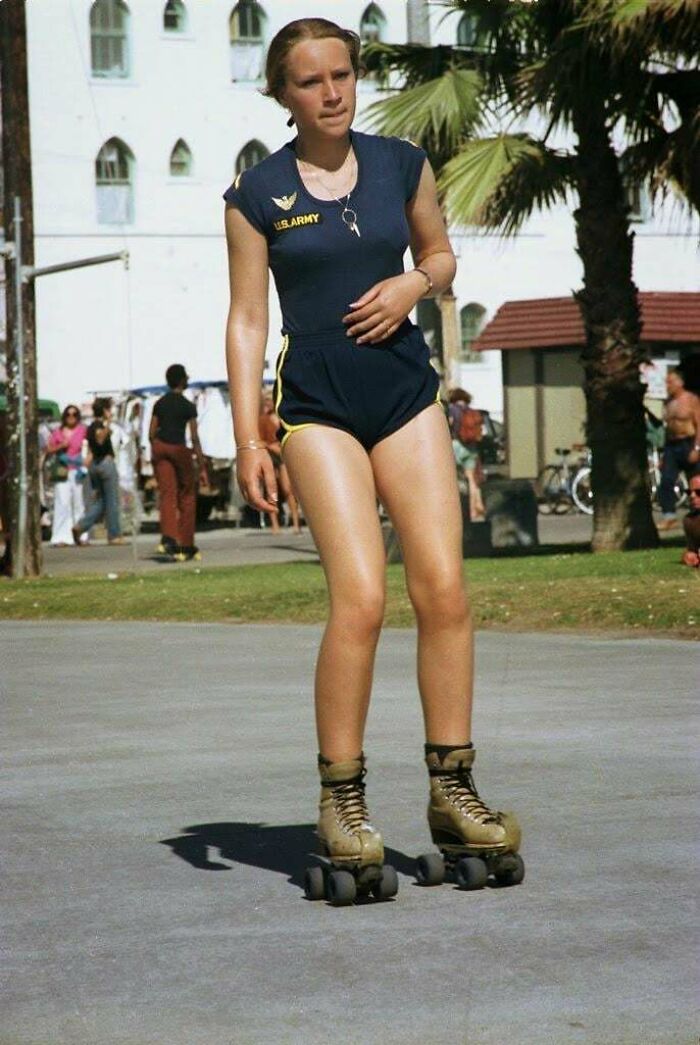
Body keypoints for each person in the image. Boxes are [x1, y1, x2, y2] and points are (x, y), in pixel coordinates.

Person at [224, 17, 522, 902]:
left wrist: (414, 283)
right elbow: (247, 320)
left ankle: (452, 790)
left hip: (403, 393)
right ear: (282, 95)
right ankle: (342, 802)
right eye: (310, 81)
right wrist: (248, 438)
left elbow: (441, 255)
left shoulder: (402, 164)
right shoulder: (256, 194)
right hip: (316, 406)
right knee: (360, 597)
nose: (331, 92)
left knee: (445, 589)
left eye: (342, 75)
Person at [149, 364, 207, 561]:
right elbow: (194, 437)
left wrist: (156, 448)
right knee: (187, 495)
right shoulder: (187, 406)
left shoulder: (159, 403)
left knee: (167, 494)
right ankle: (186, 545)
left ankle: (168, 537)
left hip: (160, 447)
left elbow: (151, 432)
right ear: (182, 380)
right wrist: (201, 464)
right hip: (178, 448)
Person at [72, 397, 125, 546]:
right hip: (105, 463)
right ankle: (114, 534)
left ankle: (81, 526)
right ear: (105, 410)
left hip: (95, 464)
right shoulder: (97, 425)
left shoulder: (90, 426)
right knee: (112, 500)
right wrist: (108, 422)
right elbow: (100, 439)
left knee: (101, 502)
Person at [657, 368, 700, 531]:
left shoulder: (691, 399)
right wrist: (663, 454)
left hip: (689, 443)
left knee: (695, 481)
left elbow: (699, 424)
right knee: (666, 480)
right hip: (672, 445)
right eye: (666, 382)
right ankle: (669, 516)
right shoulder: (667, 402)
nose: (667, 385)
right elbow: (667, 429)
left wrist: (697, 448)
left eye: (670, 382)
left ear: (680, 382)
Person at [259, 388, 302, 533]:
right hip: (271, 456)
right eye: (265, 401)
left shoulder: (284, 417)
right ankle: (275, 524)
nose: (267, 403)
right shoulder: (263, 420)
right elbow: (260, 440)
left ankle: (296, 523)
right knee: (271, 489)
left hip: (284, 455)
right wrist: (271, 446)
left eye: (269, 400)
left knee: (288, 489)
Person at [45, 405, 89, 546]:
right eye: (68, 414)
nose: (71, 417)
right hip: (62, 470)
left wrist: (86, 463)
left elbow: (89, 448)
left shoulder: (83, 430)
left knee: (79, 503)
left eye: (74, 414)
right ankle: (61, 537)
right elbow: (48, 449)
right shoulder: (57, 432)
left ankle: (81, 534)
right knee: (62, 503)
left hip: (78, 470)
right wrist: (61, 446)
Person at [448, 388, 485, 521]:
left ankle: (456, 512)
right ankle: (474, 511)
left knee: (452, 478)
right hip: (471, 447)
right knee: (472, 480)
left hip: (456, 446)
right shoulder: (470, 411)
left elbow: (450, 424)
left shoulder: (452, 409)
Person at [681, 473, 700, 567]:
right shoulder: (689, 520)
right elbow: (692, 550)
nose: (692, 496)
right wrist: (688, 556)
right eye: (689, 492)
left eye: (698, 492)